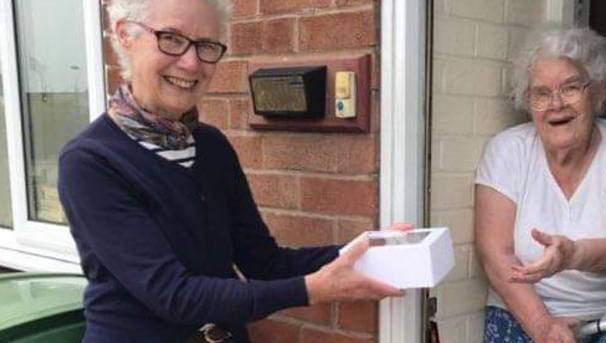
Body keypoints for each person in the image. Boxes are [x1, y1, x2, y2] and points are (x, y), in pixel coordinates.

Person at [57, 1, 410, 343]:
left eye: (206, 45)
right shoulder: (91, 161)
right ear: (125, 35)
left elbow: (264, 262)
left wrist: (367, 250)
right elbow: (172, 294)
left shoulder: (211, 146)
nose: (192, 63)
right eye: (172, 39)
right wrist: (312, 290)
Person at [474, 27, 606, 343]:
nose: (556, 104)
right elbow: (496, 255)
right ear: (527, 101)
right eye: (541, 93)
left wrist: (573, 255)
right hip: (524, 313)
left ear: (598, 91)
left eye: (571, 87)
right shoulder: (507, 151)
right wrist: (542, 325)